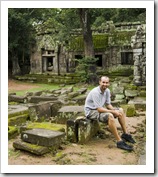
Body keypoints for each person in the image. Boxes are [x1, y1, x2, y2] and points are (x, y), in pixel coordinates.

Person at [84, 76, 136, 151]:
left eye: (107, 83)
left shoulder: (107, 91)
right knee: (110, 116)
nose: (105, 84)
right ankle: (119, 141)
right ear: (99, 82)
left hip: (99, 109)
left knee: (120, 110)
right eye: (103, 82)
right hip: (91, 111)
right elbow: (99, 109)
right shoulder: (95, 92)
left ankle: (125, 134)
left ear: (109, 83)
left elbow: (108, 104)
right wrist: (113, 112)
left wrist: (116, 111)